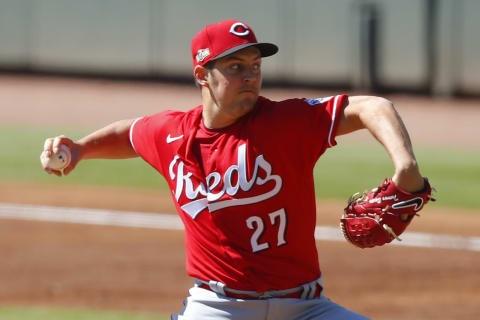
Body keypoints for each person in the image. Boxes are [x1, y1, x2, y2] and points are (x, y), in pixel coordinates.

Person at [41, 19, 428, 320]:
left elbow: (372, 107)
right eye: (235, 65)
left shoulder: (287, 122)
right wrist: (80, 148)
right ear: (202, 75)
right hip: (217, 308)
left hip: (306, 308)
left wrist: (406, 166)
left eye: (256, 65)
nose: (250, 75)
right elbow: (131, 134)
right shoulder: (172, 134)